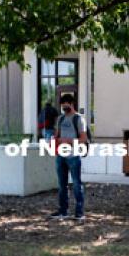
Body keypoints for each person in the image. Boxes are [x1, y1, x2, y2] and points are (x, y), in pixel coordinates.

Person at [51, 94, 87, 222]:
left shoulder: (79, 119)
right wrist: (53, 141)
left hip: (73, 155)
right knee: (62, 185)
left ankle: (79, 212)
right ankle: (63, 211)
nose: (64, 106)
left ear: (72, 103)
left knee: (77, 184)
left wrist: (68, 140)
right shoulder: (60, 119)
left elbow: (83, 139)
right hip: (60, 155)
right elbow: (56, 135)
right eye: (62, 104)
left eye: (66, 103)